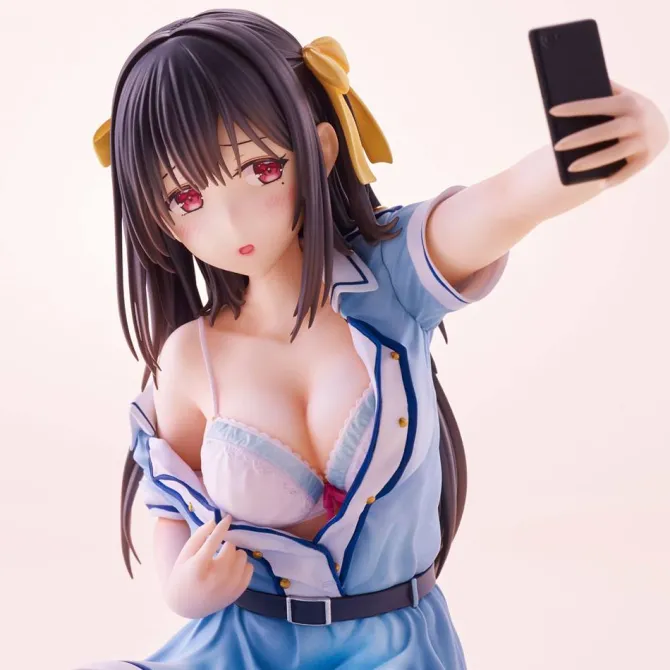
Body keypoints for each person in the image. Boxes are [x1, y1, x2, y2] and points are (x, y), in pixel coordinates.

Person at [80, 8, 668, 669]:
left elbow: (503, 202)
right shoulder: (191, 357)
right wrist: (180, 586)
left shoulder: (390, 279)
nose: (232, 219)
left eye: (261, 169)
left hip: (395, 647)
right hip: (241, 646)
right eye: (186, 197)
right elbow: (170, 498)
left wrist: (582, 156)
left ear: (320, 149)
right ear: (155, 214)